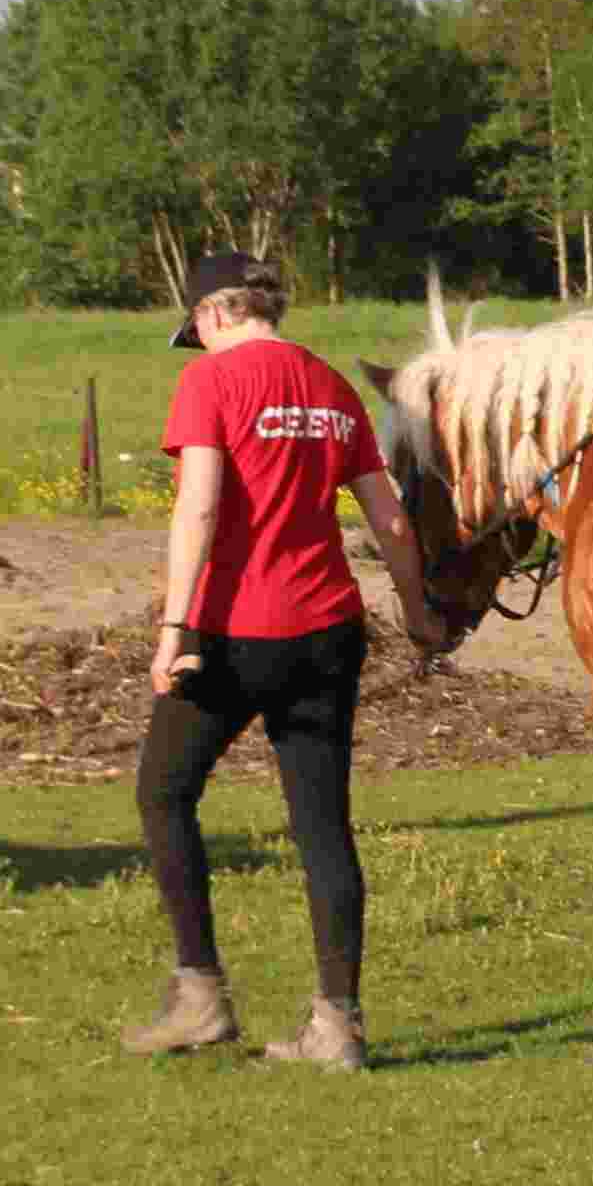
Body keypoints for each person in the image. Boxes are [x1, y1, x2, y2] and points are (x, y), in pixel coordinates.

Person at [117, 254, 446, 1070]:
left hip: (235, 631)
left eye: (193, 329)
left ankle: (200, 998)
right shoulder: (330, 385)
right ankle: (338, 1026)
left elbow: (198, 505)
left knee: (163, 792)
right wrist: (416, 611)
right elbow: (389, 518)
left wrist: (176, 625)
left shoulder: (211, 382)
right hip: (327, 630)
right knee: (322, 827)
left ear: (210, 316)